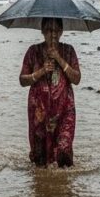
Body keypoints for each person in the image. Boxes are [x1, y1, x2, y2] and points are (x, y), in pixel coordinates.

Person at [19, 17, 81, 168]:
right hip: (39, 109)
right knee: (40, 157)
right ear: (42, 31)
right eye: (48, 30)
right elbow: (22, 80)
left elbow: (77, 79)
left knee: (64, 149)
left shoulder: (68, 51)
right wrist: (41, 71)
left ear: (61, 32)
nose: (52, 34)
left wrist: (59, 59)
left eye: (55, 31)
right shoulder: (33, 51)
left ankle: (63, 179)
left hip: (64, 108)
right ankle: (44, 180)